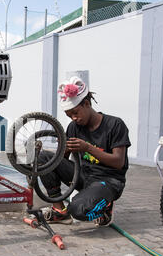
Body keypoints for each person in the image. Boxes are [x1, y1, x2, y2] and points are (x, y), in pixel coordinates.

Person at [38, 76, 131, 226]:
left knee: (78, 210)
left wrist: (88, 148)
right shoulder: (74, 127)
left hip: (108, 181)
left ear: (87, 104)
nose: (74, 118)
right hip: (83, 176)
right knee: (44, 158)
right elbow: (62, 161)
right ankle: (60, 211)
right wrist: (62, 151)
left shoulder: (114, 124)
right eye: (69, 116)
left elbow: (118, 162)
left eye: (75, 113)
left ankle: (105, 208)